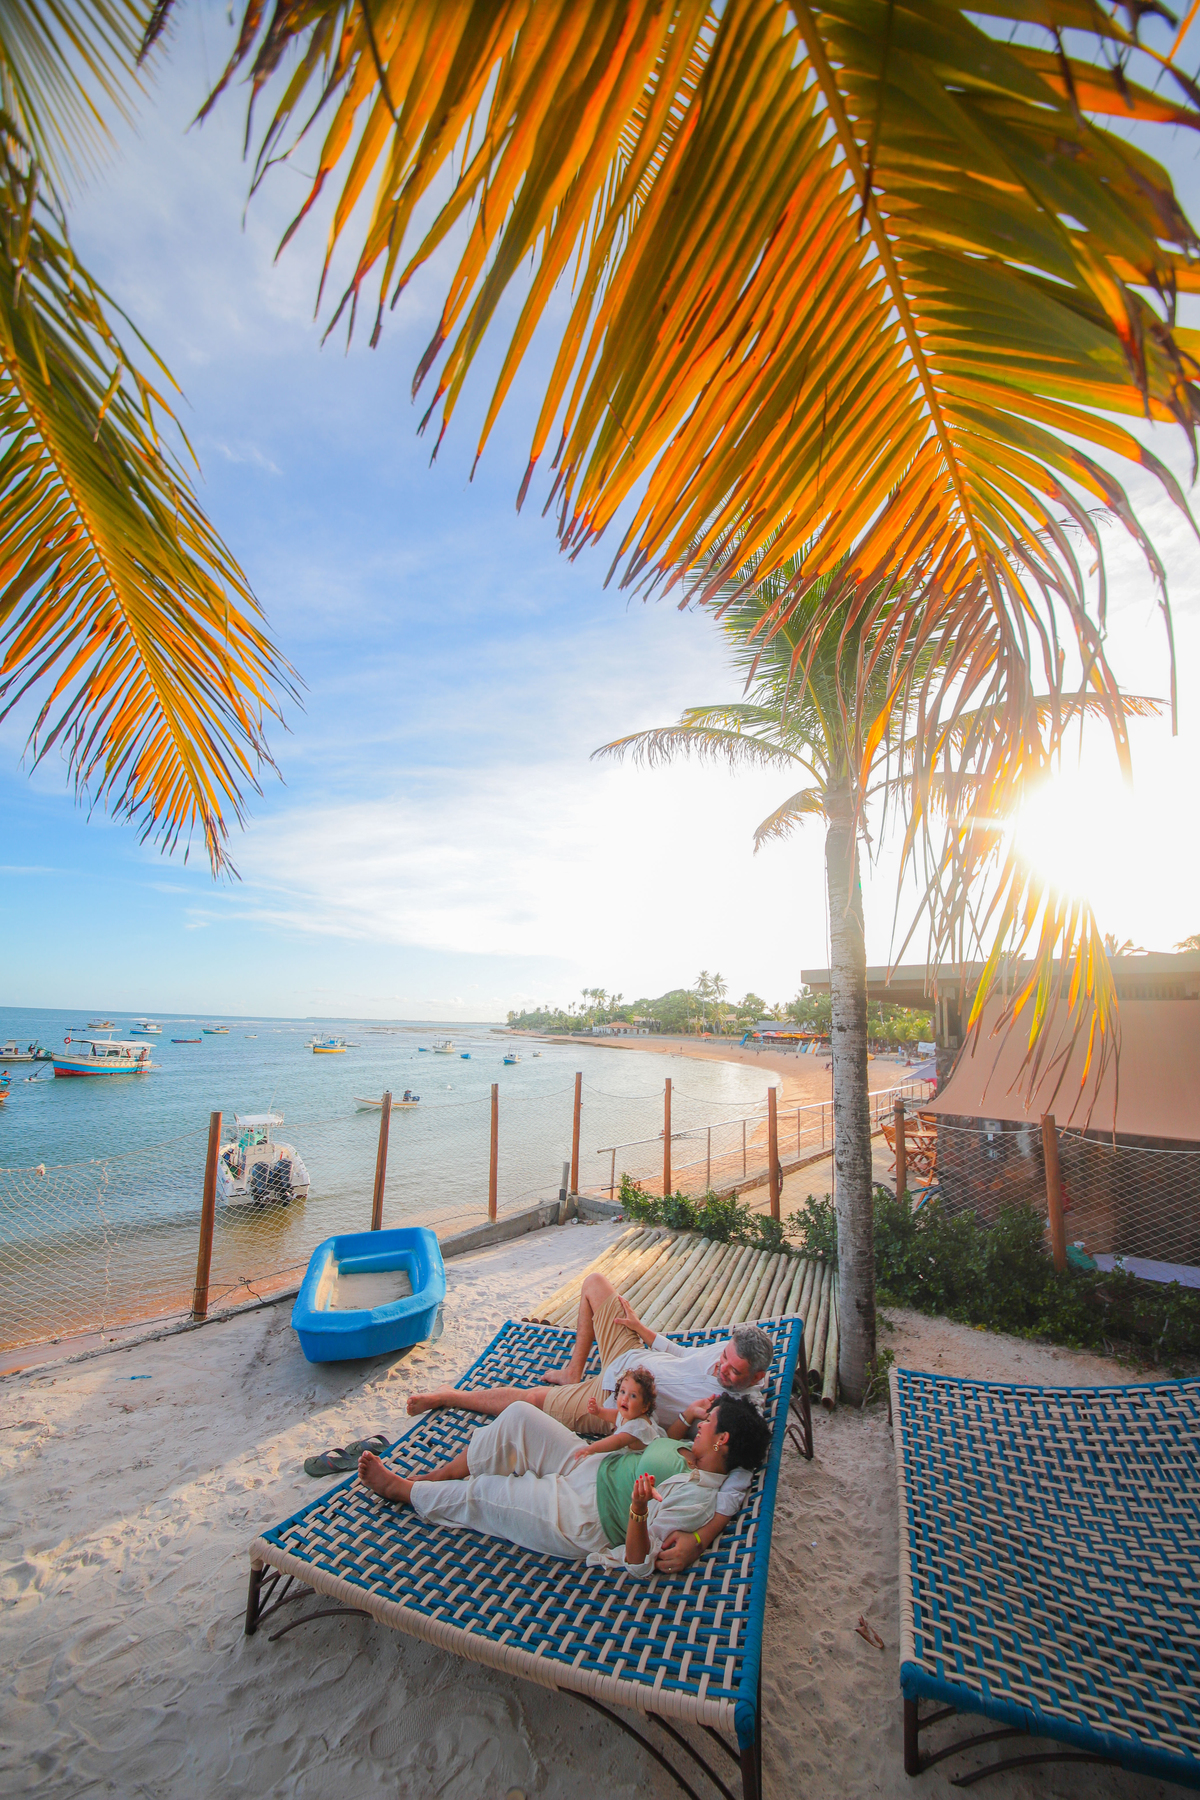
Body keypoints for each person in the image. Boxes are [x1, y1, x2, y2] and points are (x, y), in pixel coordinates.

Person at [403, 1271, 774, 1572]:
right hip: (632, 1357)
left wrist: (701, 1538)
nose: (722, 1369)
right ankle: (572, 1369)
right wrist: (643, 1330)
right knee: (595, 1282)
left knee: (532, 1400)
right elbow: (685, 1354)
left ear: (756, 1378)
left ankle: (452, 1397)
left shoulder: (740, 1413)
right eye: (724, 1358)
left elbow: (737, 1479)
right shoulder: (727, 1351)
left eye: (733, 1371)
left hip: (623, 1404)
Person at [357, 1393, 771, 1576]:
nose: (701, 1425)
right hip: (590, 1465)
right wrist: (687, 1415)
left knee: (487, 1495)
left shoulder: (697, 1498)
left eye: (709, 1425)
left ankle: (404, 1490)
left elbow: (639, 1564)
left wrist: (640, 1510)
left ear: (723, 1441)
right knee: (519, 1416)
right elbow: (738, 1473)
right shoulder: (695, 1450)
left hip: (582, 1517)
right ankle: (439, 1475)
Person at [571, 1367, 662, 1464]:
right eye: (622, 1392)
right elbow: (615, 1416)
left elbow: (617, 1441)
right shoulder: (630, 1414)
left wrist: (592, 1448)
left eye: (633, 1396)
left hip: (647, 1462)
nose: (625, 1398)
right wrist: (599, 1411)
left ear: (644, 1406)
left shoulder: (638, 1426)